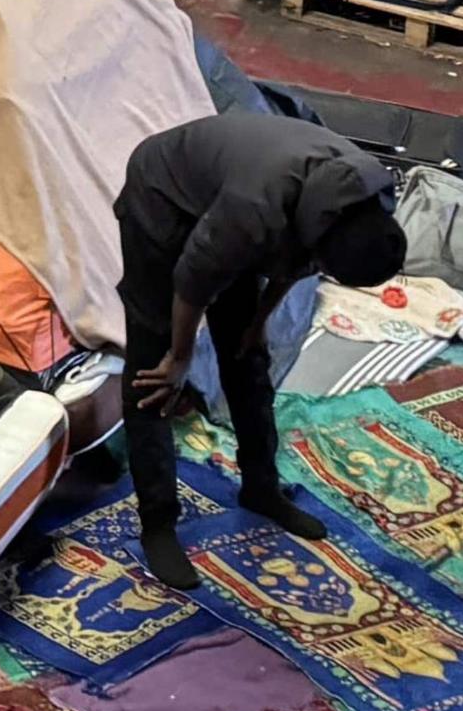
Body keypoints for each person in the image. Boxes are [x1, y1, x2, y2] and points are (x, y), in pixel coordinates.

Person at [112, 111, 409, 590]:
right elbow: (191, 281)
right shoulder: (254, 210)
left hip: (236, 198)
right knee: (154, 374)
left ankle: (261, 488)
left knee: (248, 357)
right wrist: (181, 358)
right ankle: (159, 524)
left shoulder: (362, 201)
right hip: (163, 196)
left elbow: (300, 261)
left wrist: (259, 321)